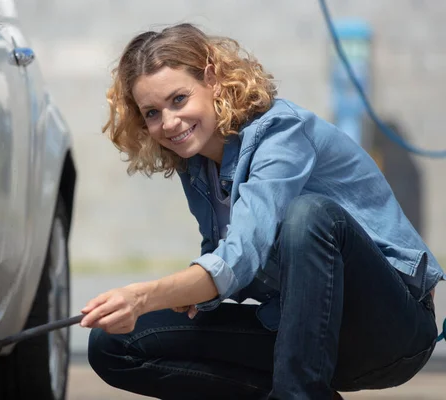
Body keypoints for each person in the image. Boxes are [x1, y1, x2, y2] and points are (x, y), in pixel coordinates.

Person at [80, 23, 444, 399]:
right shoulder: (197, 165)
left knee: (311, 215)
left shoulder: (281, 132)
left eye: (178, 99)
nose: (169, 123)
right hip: (304, 337)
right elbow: (227, 263)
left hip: (388, 331)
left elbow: (241, 255)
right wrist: (187, 292)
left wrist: (144, 296)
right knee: (114, 344)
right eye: (152, 112)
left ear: (213, 79)